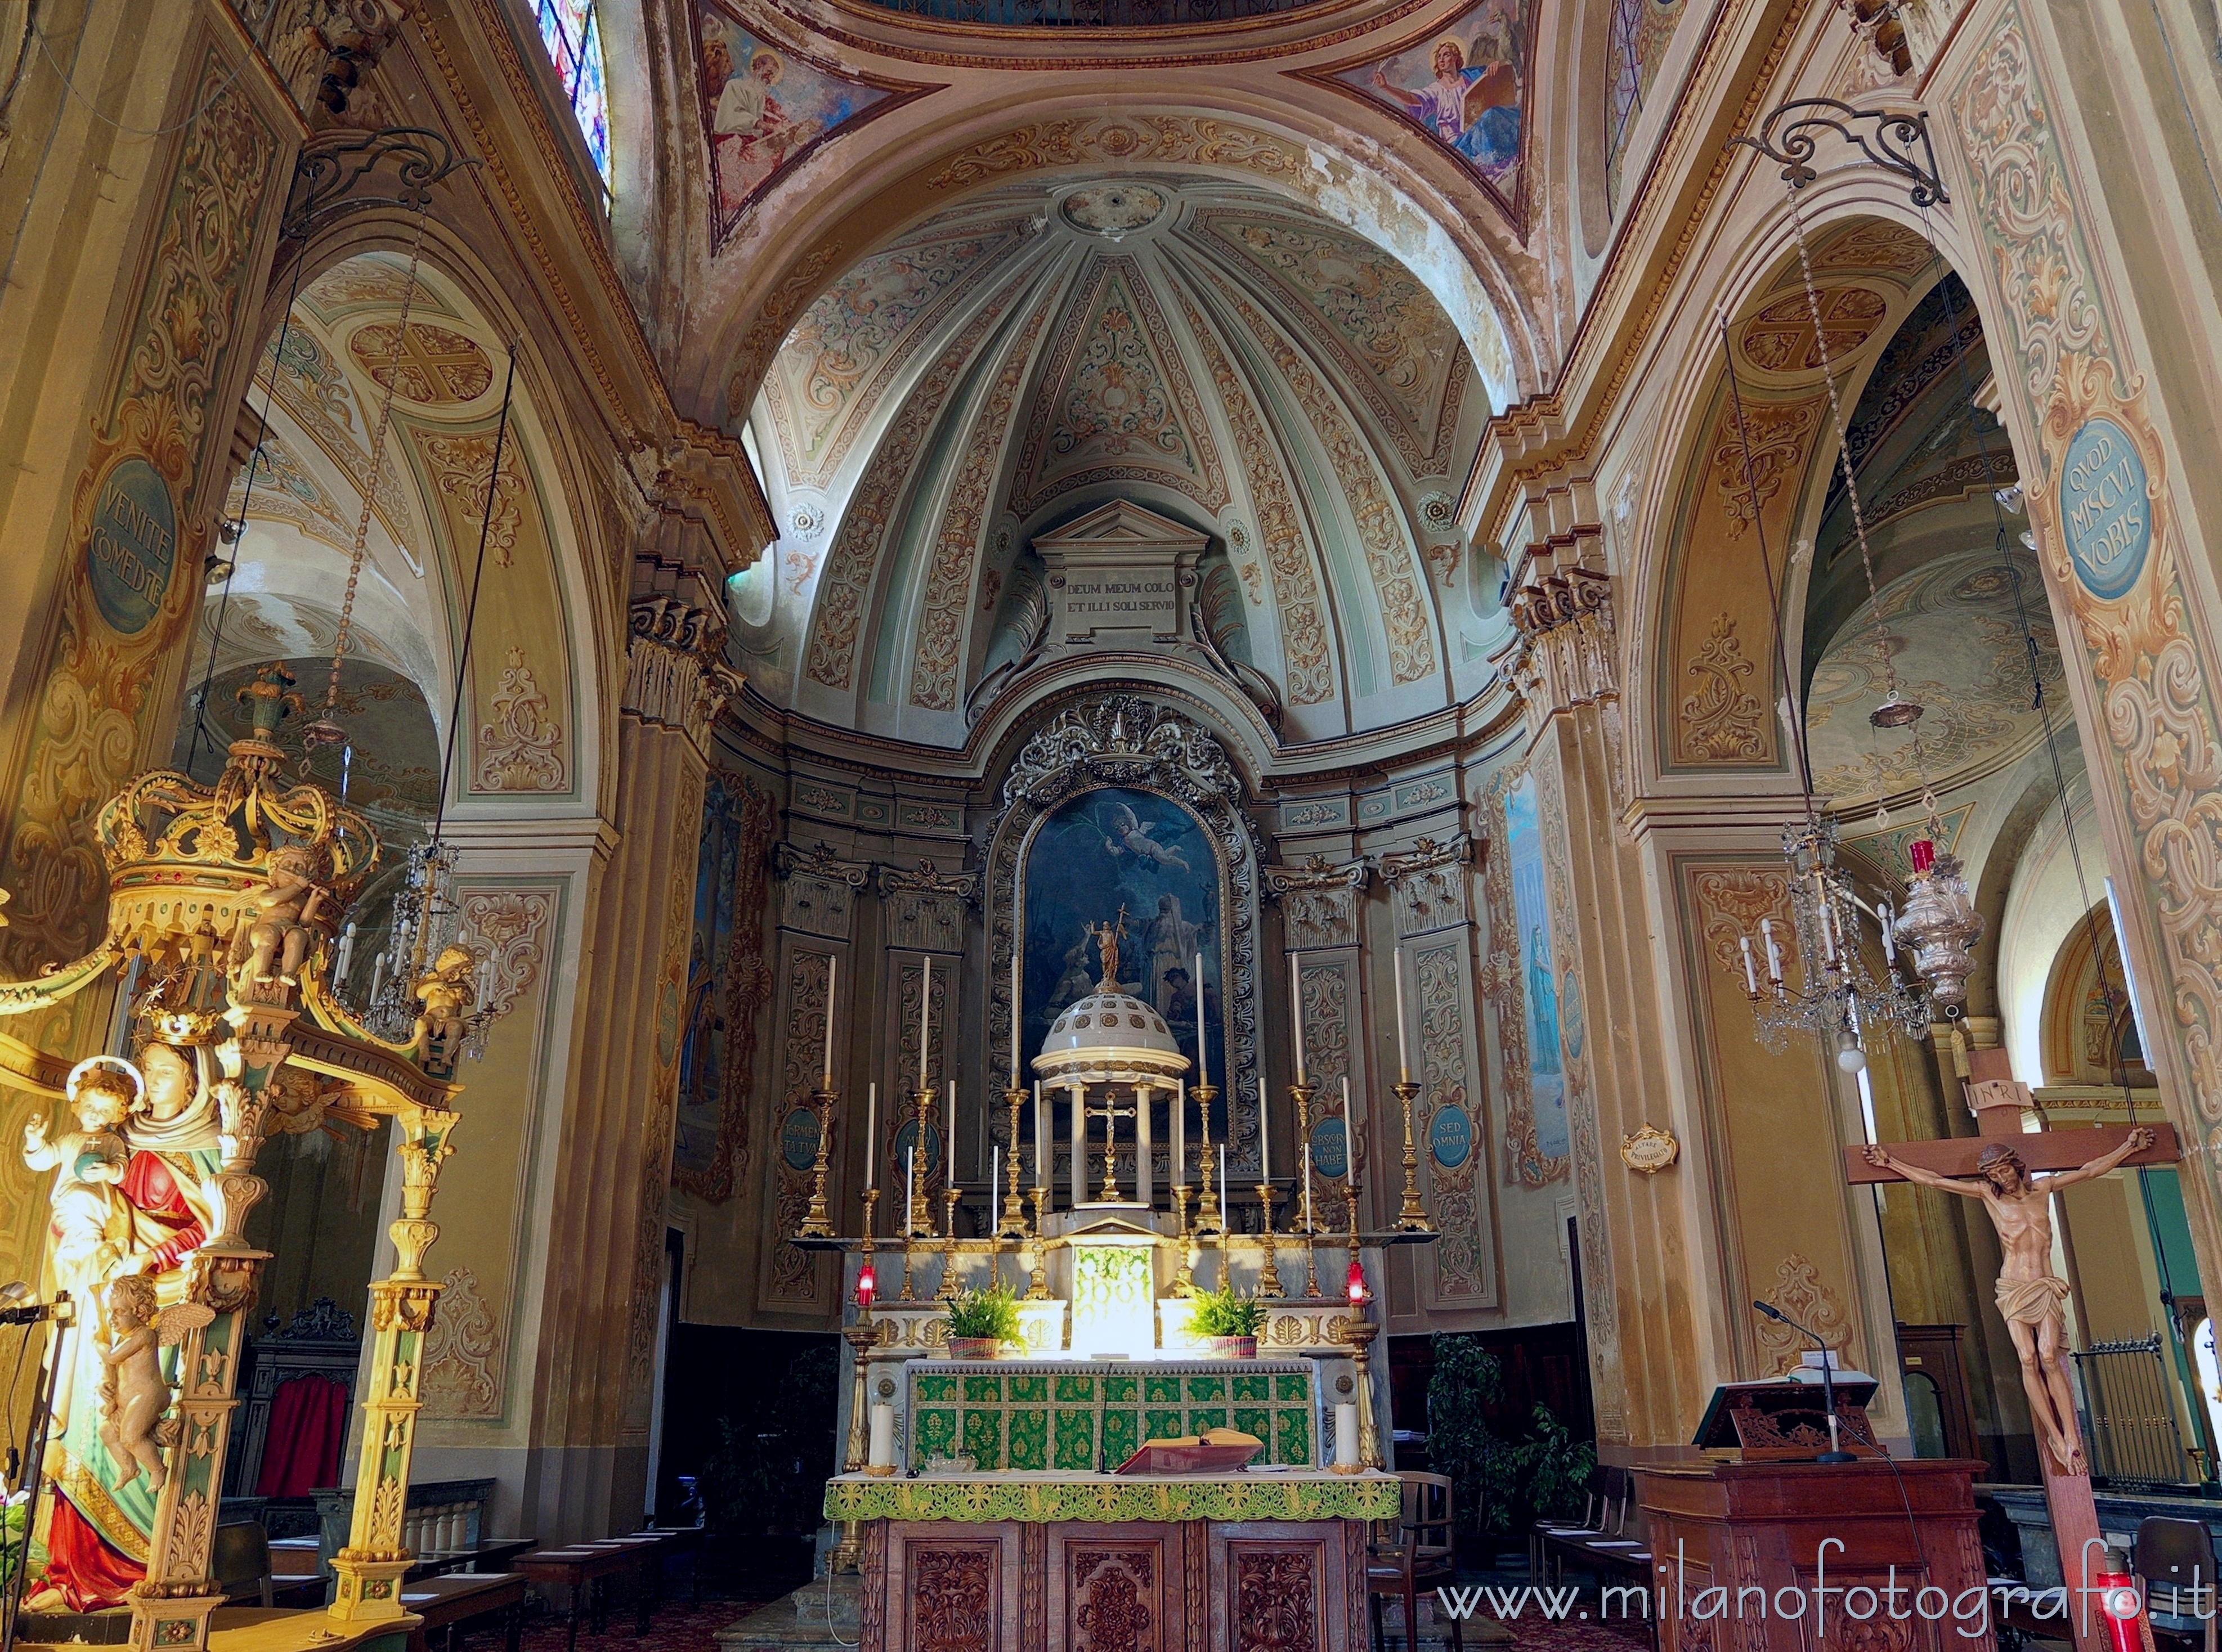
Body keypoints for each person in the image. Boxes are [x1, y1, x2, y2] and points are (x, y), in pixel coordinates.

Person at [1863, 1127, 2156, 1475]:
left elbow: (2090, 1170)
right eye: (1994, 1174)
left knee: (2050, 1356)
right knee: (2029, 1358)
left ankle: (2072, 1436)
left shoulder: (2043, 1189)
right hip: (2014, 1287)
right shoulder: (1989, 1196)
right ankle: (2055, 1436)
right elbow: (1934, 1181)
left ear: (2017, 1167)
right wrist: (1890, 1162)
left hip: (2044, 1285)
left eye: (2005, 1170)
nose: (2002, 1178)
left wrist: (2127, 1148)